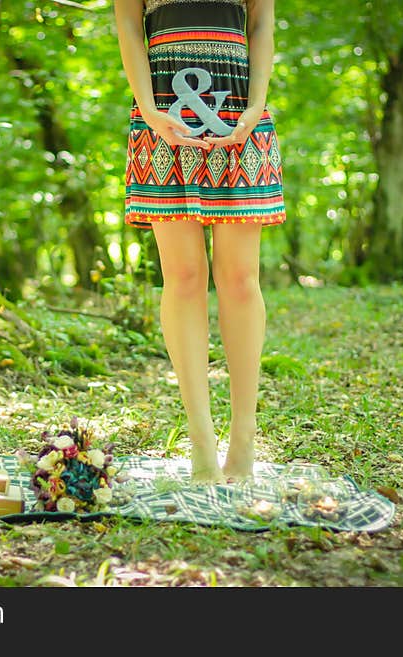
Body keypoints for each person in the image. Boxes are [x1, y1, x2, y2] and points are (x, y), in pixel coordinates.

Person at [114, 0, 285, 483]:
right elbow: (127, 21)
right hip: (163, 117)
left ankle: (244, 441)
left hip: (239, 116)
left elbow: (262, 21)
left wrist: (255, 106)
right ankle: (201, 442)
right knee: (184, 277)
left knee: (239, 280)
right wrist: (148, 108)